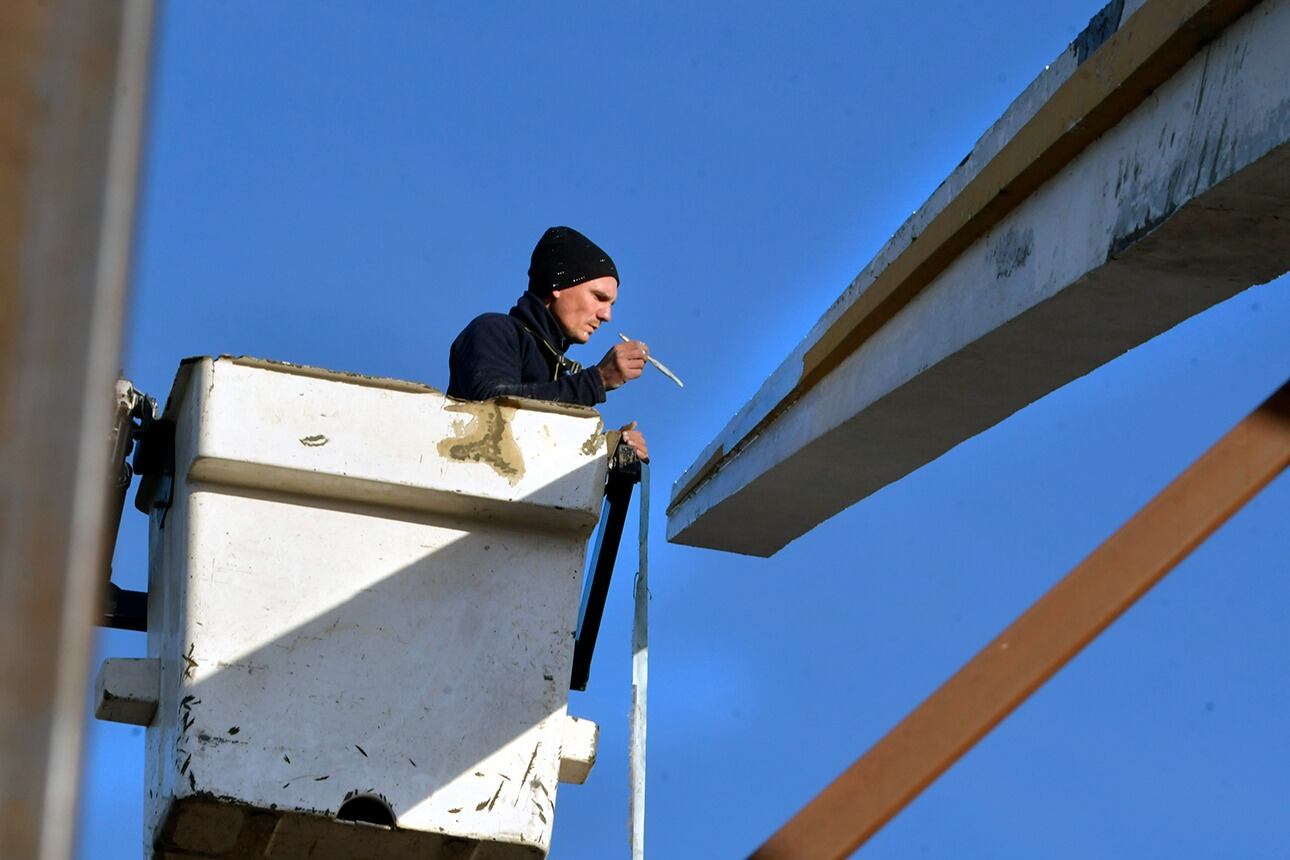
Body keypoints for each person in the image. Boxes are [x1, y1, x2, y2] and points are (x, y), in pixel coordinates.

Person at [447, 226, 649, 460]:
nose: (606, 315)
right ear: (557, 285)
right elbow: (491, 407)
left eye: (611, 305)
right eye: (599, 297)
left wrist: (613, 453)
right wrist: (597, 380)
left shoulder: (558, 375)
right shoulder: (495, 330)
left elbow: (544, 461)